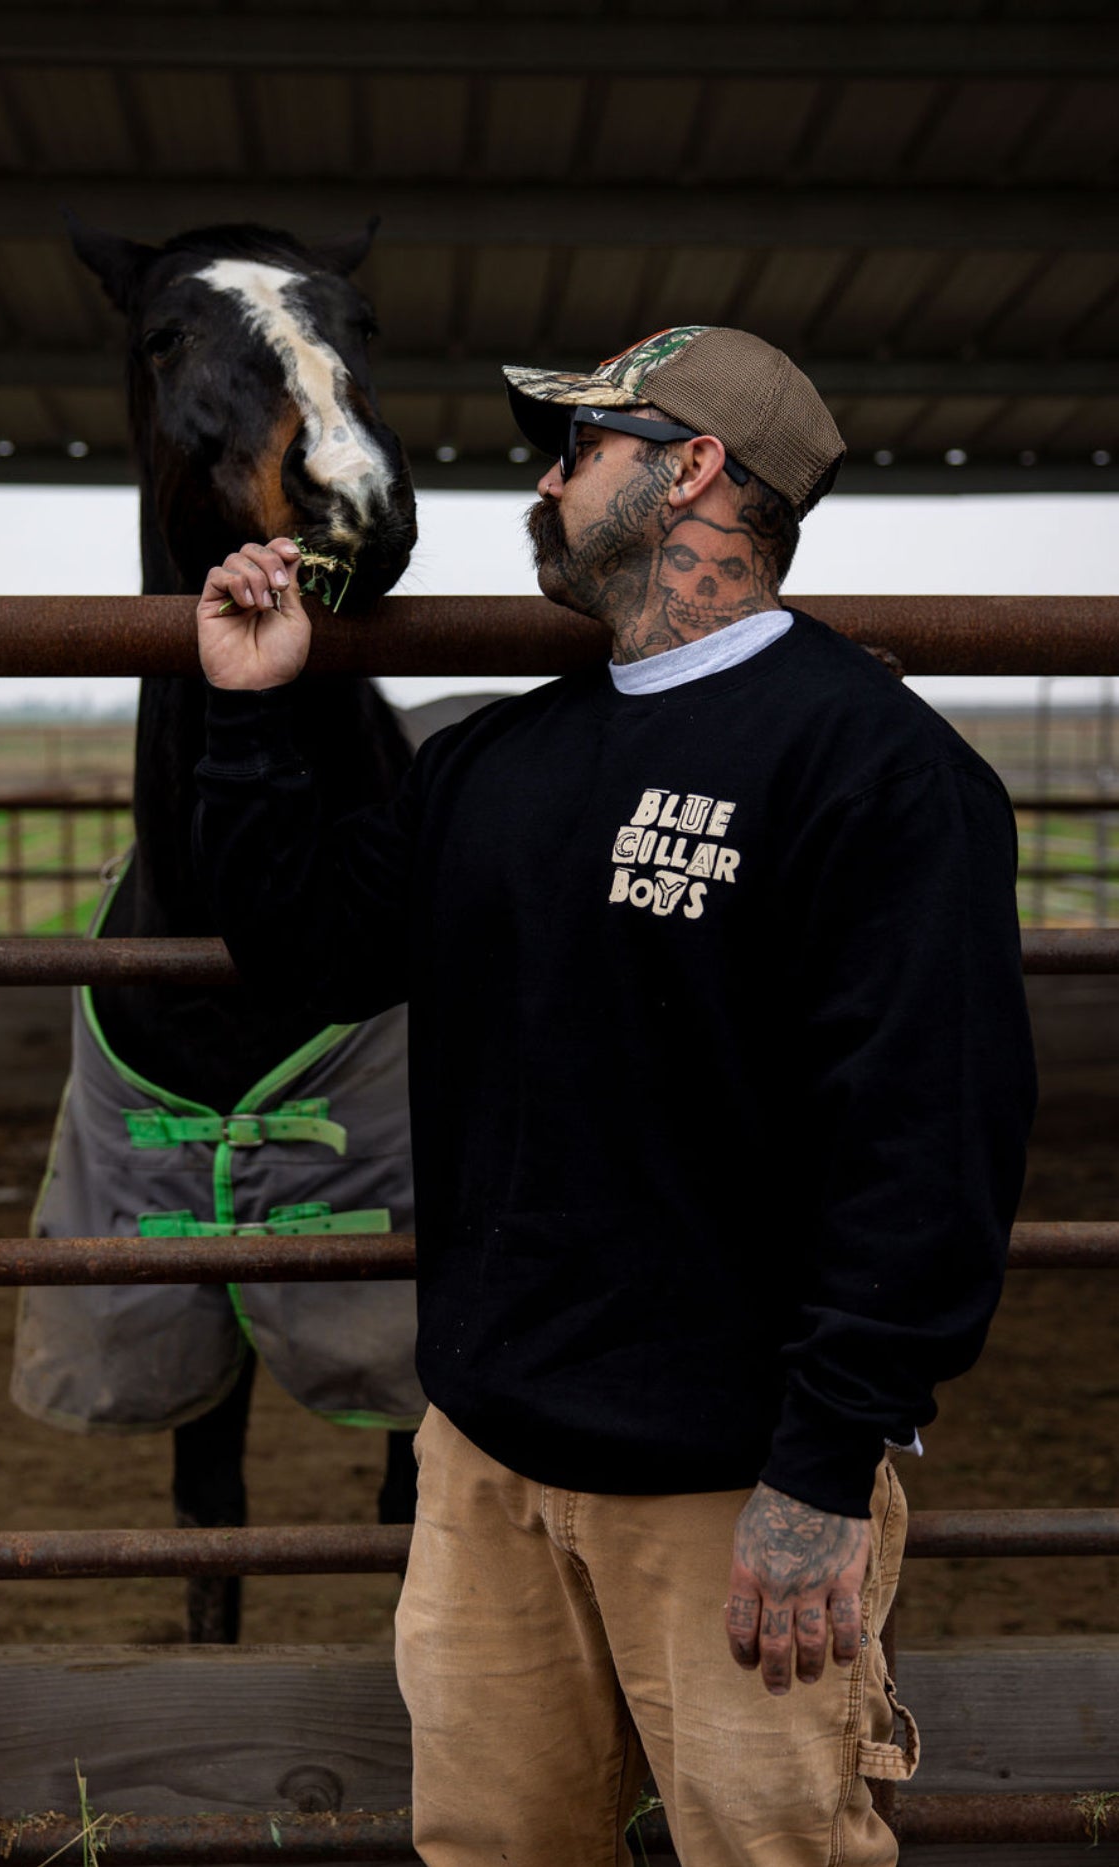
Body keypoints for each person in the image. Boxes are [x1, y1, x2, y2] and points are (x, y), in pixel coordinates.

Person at [192, 324, 1037, 1867]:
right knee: (492, 1846)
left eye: (576, 452)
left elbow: (926, 1139)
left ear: (693, 468)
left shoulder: (877, 771)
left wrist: (819, 1466)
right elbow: (301, 954)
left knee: (768, 1851)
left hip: (731, 1482)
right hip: (486, 1461)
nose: (543, 479)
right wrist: (250, 711)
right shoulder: (493, 760)